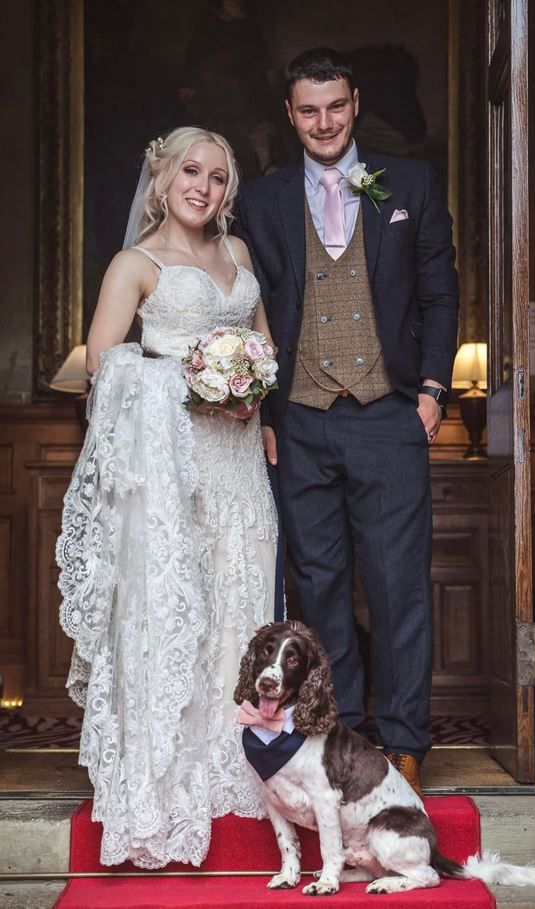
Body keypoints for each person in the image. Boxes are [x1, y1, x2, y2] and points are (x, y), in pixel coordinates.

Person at [235, 47, 459, 797]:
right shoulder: (263, 201)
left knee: (397, 584)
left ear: (355, 102)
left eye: (335, 106)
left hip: (390, 412)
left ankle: (402, 741)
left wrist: (431, 391)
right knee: (319, 584)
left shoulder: (413, 182)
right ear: (291, 114)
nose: (323, 122)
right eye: (308, 109)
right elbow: (250, 307)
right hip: (299, 418)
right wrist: (263, 408)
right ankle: (340, 733)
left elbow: (439, 293)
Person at [56, 126, 278, 867]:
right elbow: (104, 369)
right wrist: (193, 383)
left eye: (218, 177)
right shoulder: (135, 263)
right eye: (191, 171)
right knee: (185, 610)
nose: (204, 188)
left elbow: (263, 346)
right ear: (161, 178)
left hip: (240, 464)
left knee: (241, 602)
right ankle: (170, 779)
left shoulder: (240, 256)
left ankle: (240, 763)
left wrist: (251, 388)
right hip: (175, 467)